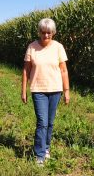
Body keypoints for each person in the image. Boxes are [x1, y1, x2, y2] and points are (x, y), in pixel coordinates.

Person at [21, 18, 70, 166]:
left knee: (50, 122)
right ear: (39, 32)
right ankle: (39, 154)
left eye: (49, 32)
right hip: (38, 90)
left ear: (53, 33)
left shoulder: (58, 47)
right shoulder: (32, 47)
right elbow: (26, 70)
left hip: (55, 89)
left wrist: (66, 90)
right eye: (43, 32)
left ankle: (46, 147)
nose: (46, 35)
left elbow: (63, 70)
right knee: (42, 122)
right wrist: (23, 90)